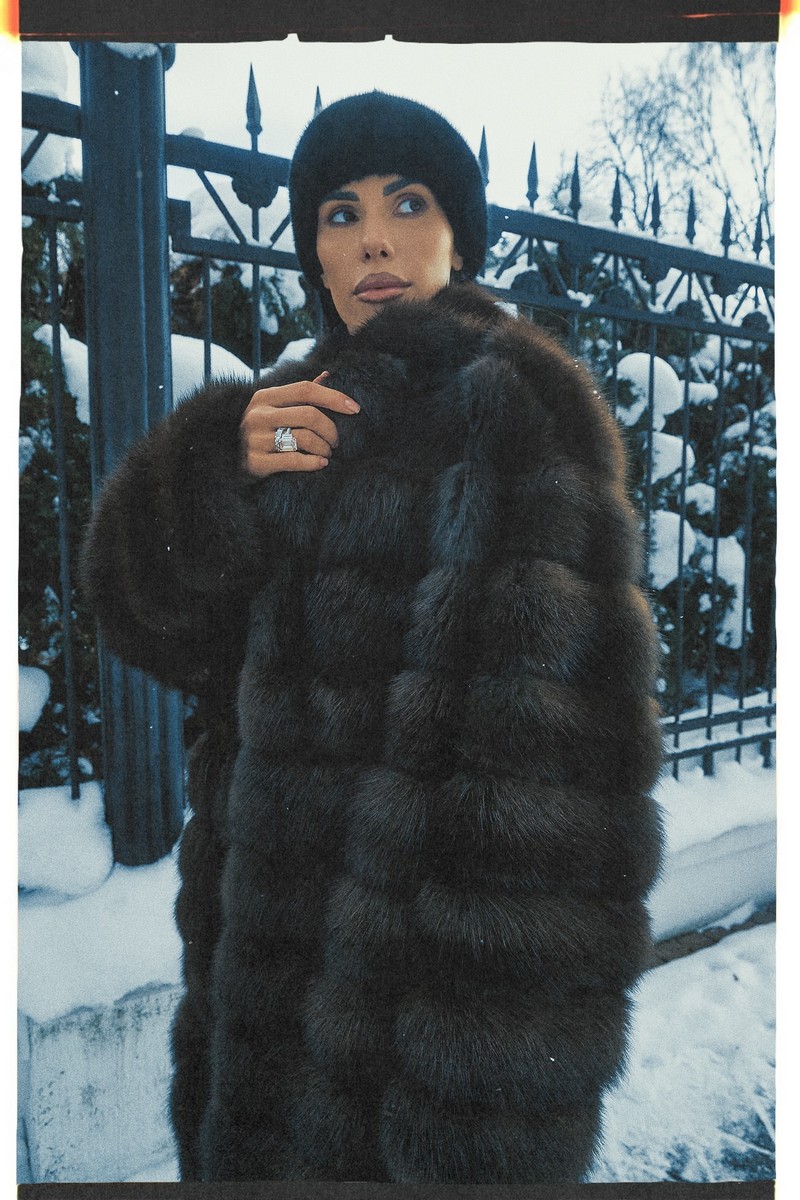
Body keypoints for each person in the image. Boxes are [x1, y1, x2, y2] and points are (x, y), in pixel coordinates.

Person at [81, 92, 664, 1184]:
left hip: (404, 1070)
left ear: (460, 239)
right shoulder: (294, 412)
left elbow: (538, 812)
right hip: (257, 1011)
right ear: (313, 250)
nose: (374, 241)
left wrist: (466, 1120)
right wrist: (210, 469)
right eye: (339, 215)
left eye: (408, 203)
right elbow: (147, 626)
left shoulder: (514, 416)